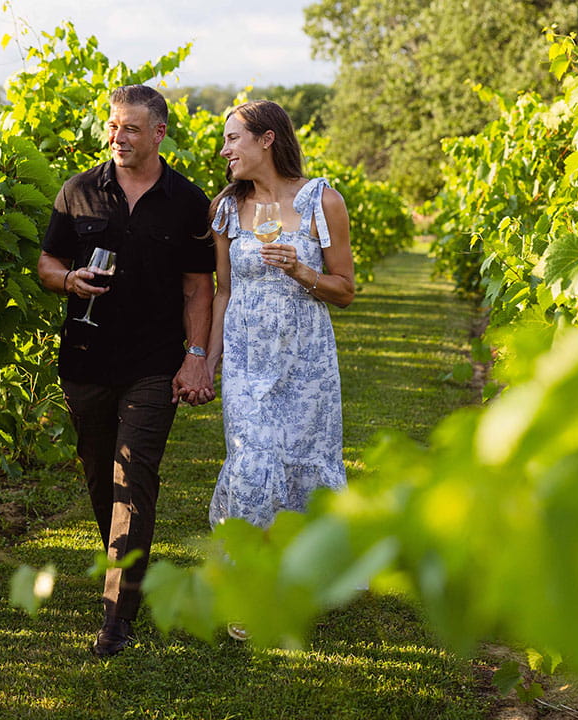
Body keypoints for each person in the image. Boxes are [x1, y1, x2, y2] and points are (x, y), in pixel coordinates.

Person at [37, 85, 215, 657]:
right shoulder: (78, 191)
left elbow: (198, 286)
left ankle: (117, 618)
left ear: (160, 133)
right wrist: (68, 281)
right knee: (99, 479)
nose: (117, 137)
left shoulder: (188, 201)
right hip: (86, 360)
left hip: (152, 363)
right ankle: (129, 566)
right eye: (113, 126)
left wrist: (195, 356)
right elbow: (47, 262)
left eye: (131, 128)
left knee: (133, 478)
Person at [206, 100, 355, 532]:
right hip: (247, 359)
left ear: (267, 139)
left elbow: (345, 290)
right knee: (251, 458)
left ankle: (308, 570)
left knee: (305, 459)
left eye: (232, 139)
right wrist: (208, 361)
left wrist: (300, 271)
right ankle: (250, 570)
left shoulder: (322, 201)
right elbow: (224, 291)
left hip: (306, 362)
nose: (224, 150)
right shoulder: (226, 210)